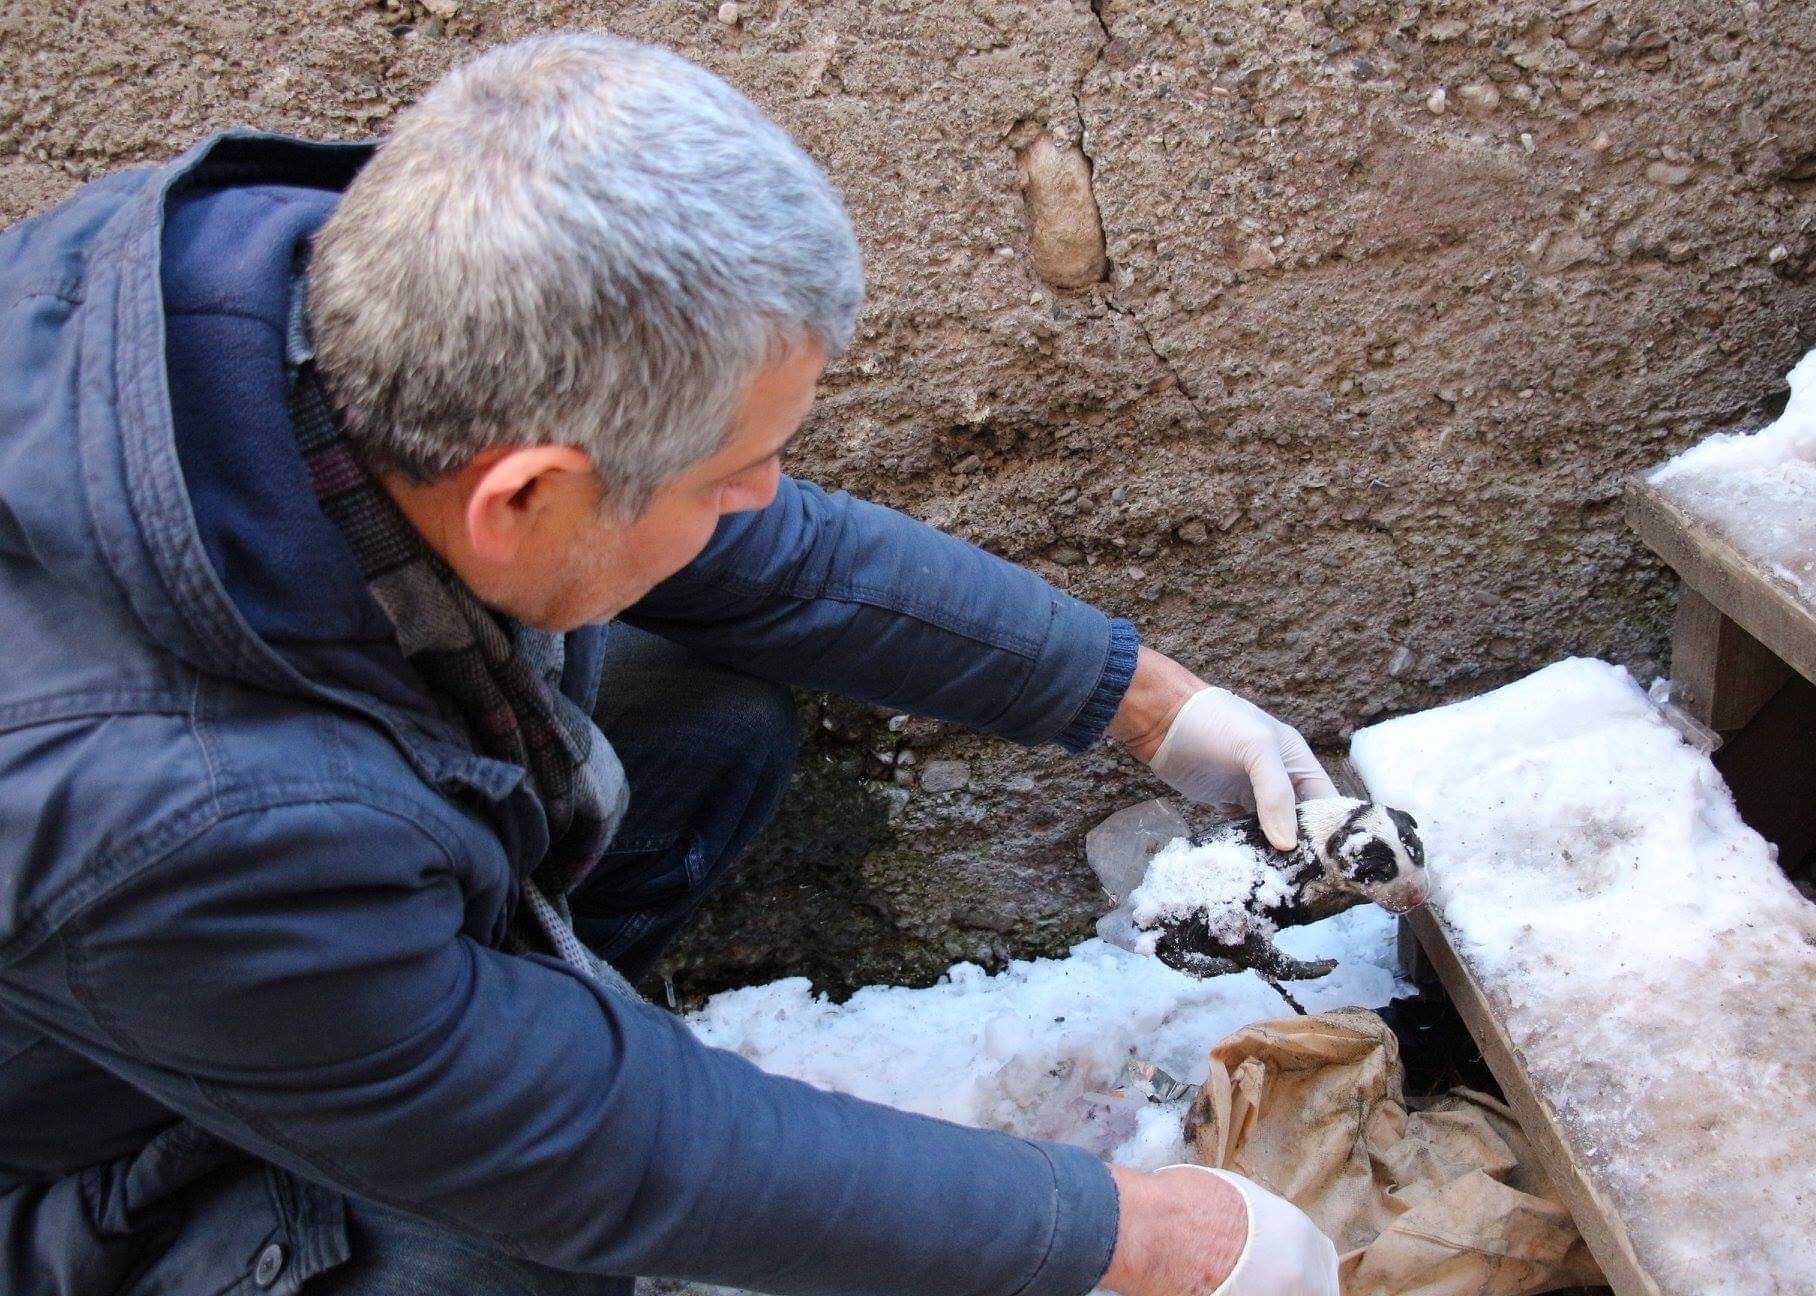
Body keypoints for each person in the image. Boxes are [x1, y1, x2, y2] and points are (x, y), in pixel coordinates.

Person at [0, 34, 1341, 1296]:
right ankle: (433, 1071)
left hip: (233, 970)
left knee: (706, 713)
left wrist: (1147, 700)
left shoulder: (265, 303)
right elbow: (603, 1152)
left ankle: (437, 1040)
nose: (769, 497)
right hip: (67, 1163)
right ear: (520, 494)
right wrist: (1133, 1235)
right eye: (729, 473)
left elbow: (772, 557)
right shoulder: (185, 819)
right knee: (517, 1248)